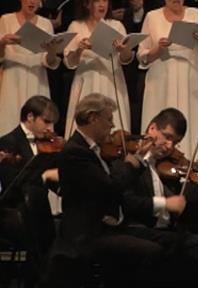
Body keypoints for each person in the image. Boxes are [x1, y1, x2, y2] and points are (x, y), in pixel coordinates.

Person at [43, 94, 163, 288]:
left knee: (170, 243)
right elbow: (110, 187)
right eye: (109, 119)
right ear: (93, 118)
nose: (112, 125)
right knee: (150, 252)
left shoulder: (93, 150)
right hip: (87, 234)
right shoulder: (75, 152)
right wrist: (133, 162)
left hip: (106, 227)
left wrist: (139, 158)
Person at [112, 107, 198, 288]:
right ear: (152, 129)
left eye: (175, 142)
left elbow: (183, 212)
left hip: (167, 232)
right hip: (138, 229)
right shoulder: (126, 162)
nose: (169, 146)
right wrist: (165, 203)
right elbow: (127, 202)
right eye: (167, 137)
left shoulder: (169, 169)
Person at [137, 0, 198, 157]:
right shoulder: (152, 17)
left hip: (191, 76)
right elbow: (142, 55)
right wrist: (158, 49)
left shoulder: (195, 14)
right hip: (161, 77)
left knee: (191, 120)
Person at [0, 96, 60, 281]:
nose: (51, 129)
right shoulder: (7, 142)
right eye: (46, 122)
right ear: (30, 117)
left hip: (38, 210)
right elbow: (14, 183)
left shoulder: (48, 145)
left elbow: (52, 183)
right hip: (14, 210)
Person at [63, 0, 133, 138]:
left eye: (105, 0)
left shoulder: (116, 26)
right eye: (97, 0)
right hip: (86, 82)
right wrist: (80, 48)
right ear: (87, 4)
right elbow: (70, 62)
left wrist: (124, 50)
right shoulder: (76, 26)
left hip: (111, 80)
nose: (102, 4)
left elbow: (126, 59)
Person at [0, 0, 63, 136]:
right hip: (12, 78)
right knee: (9, 123)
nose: (32, 0)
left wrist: (52, 51)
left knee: (38, 125)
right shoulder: (6, 20)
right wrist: (3, 43)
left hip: (36, 78)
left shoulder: (45, 24)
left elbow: (48, 61)